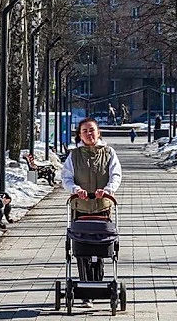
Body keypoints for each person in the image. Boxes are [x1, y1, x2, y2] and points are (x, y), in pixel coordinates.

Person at [61, 117, 122, 308]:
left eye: (92, 130)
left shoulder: (109, 152)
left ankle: (98, 284)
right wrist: (75, 189)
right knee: (82, 250)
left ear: (98, 132)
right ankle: (86, 290)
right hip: (81, 208)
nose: (89, 134)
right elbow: (66, 177)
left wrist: (109, 189)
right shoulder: (74, 155)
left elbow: (116, 174)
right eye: (85, 131)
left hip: (102, 207)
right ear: (79, 135)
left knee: (100, 248)